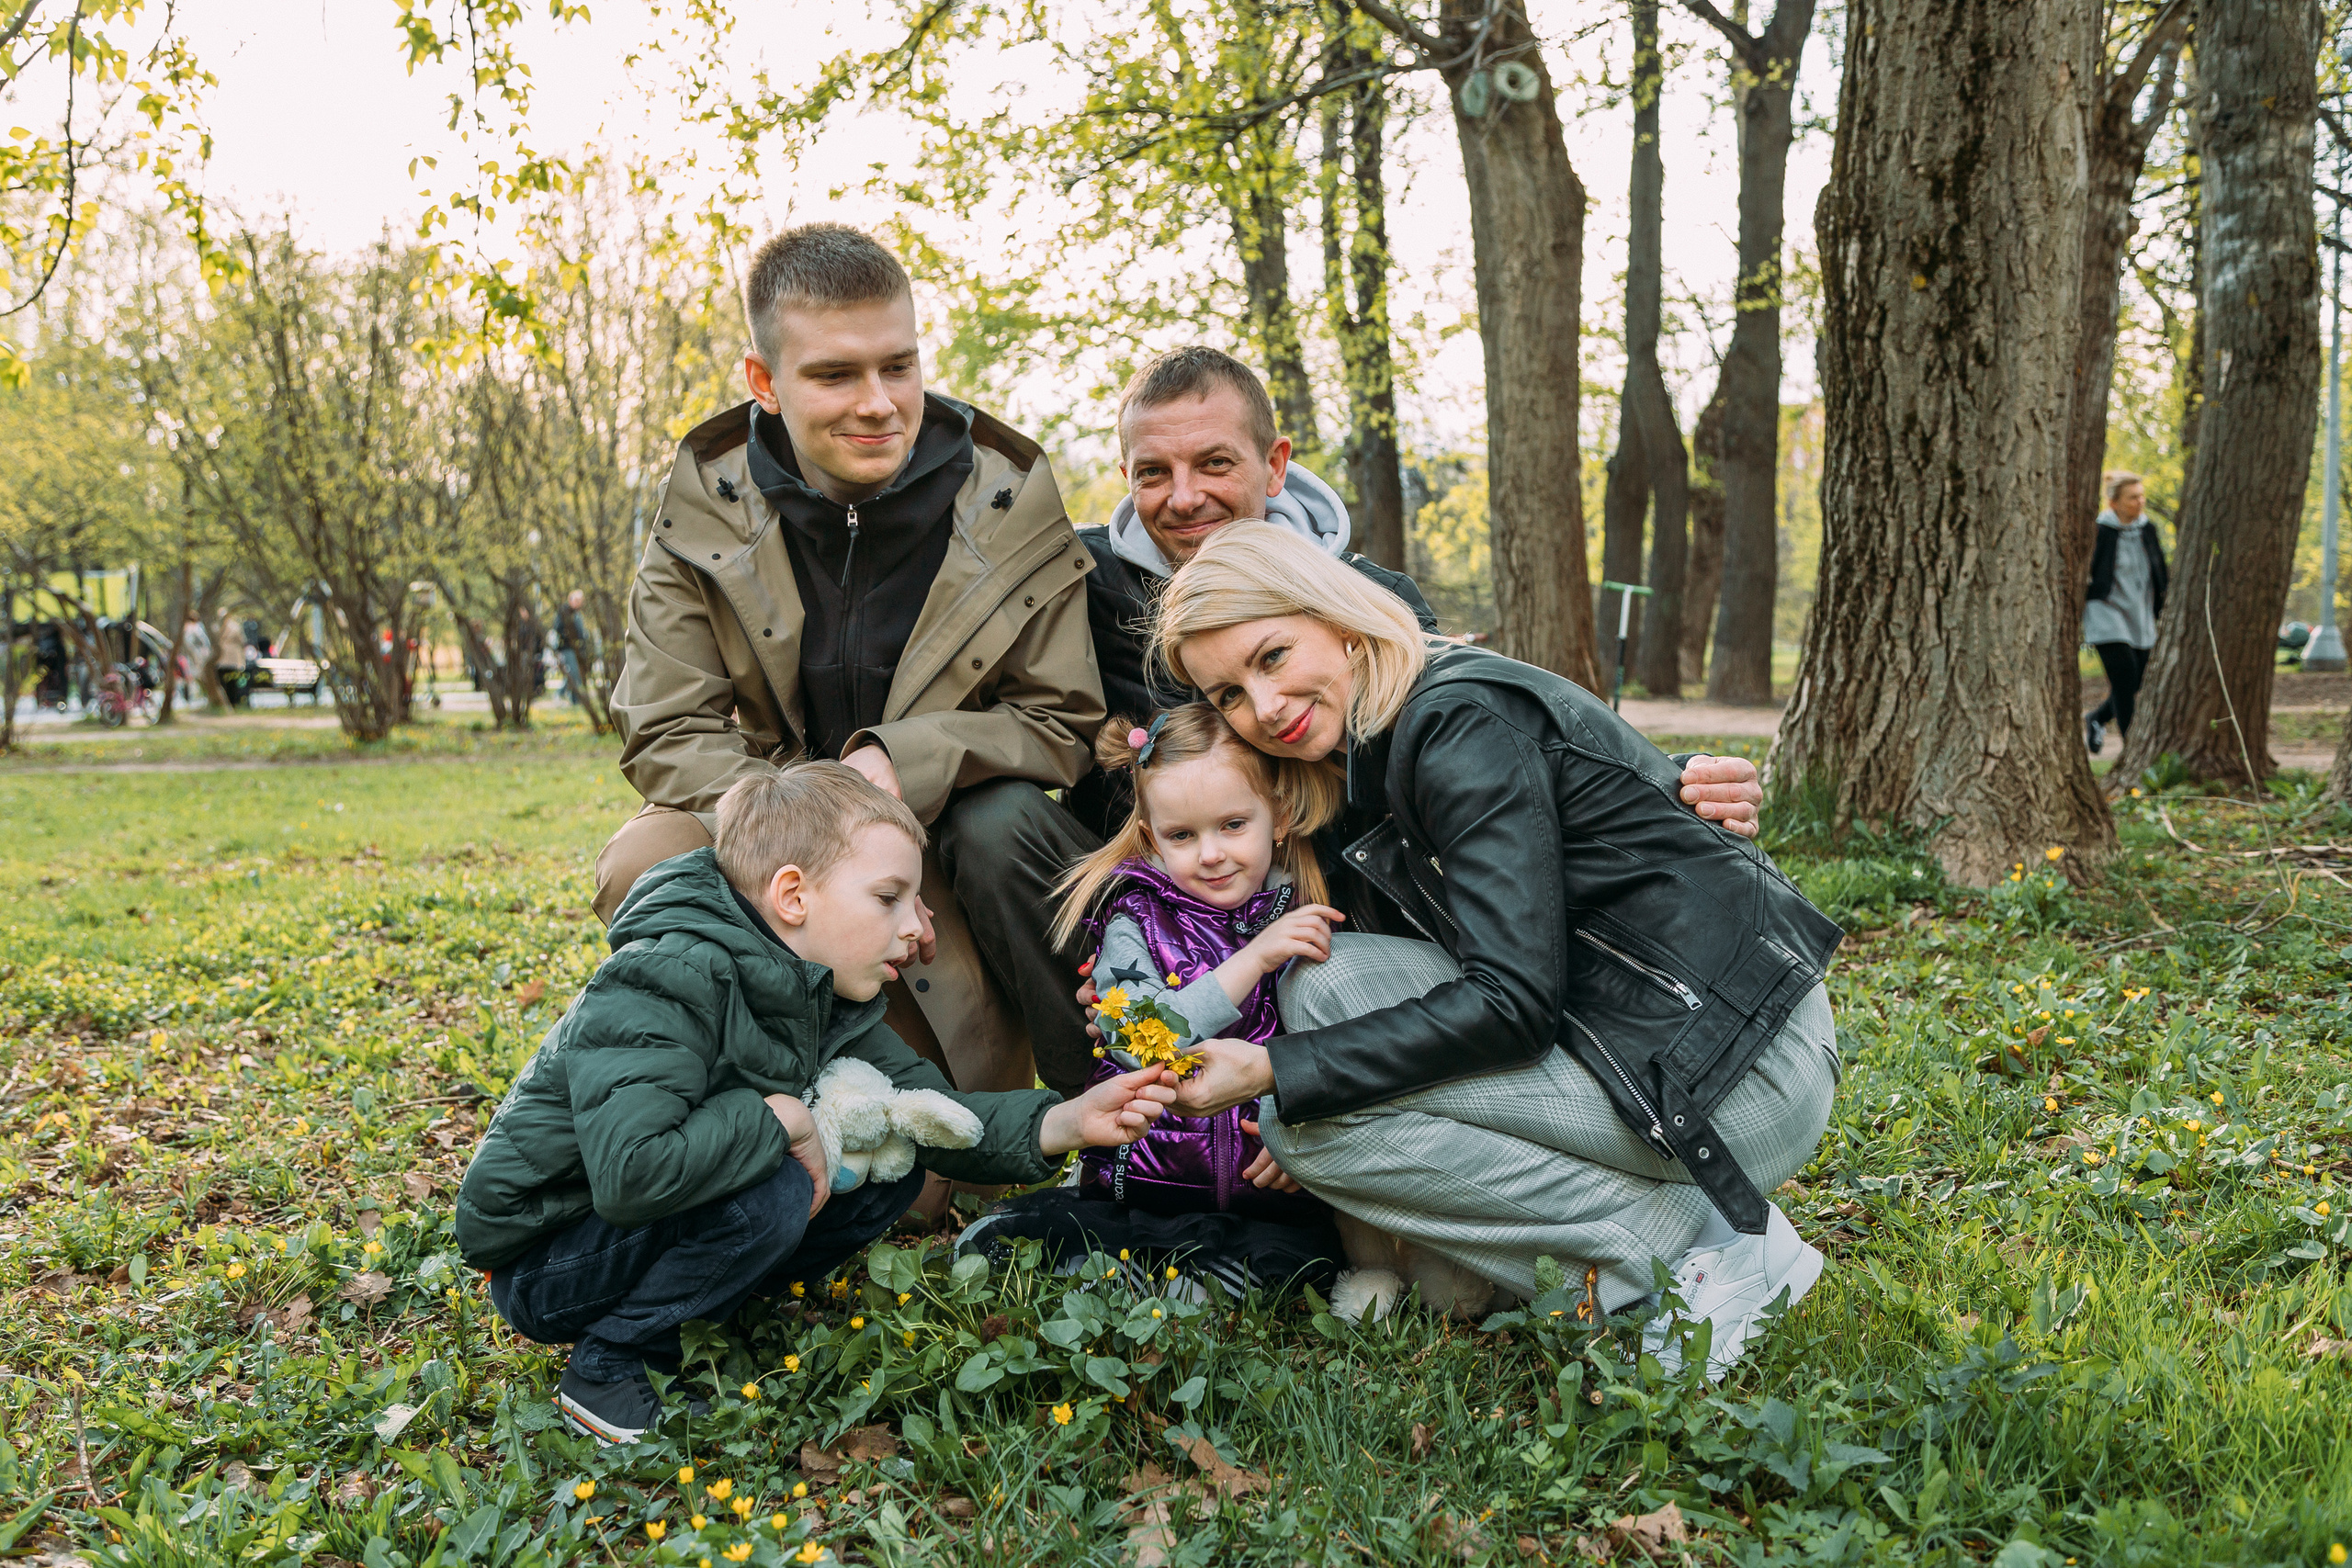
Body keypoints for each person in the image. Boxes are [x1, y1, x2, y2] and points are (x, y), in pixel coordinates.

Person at [938, 344, 1768, 1099]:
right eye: (1152, 472)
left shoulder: (1374, 603)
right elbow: (1002, 704)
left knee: (1343, 962)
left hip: (1315, 905)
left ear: (1274, 465)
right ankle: (1119, 1110)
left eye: (1215, 462)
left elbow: (1485, 755)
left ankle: (1299, 1104)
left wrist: (1672, 779)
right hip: (1143, 894)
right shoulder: (1079, 591)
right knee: (994, 821)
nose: (1184, 497)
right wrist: (1136, 946)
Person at [1150, 522, 1846, 1379]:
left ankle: (1692, 1256)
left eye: (1273, 655)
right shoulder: (1370, 742)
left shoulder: (1451, 722)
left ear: (1336, 614)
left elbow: (1511, 1004)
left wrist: (1271, 1072)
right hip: (1635, 1024)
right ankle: (1678, 1237)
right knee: (1326, 985)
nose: (1262, 707)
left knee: (1306, 1128)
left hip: (1740, 1065)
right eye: (1226, 693)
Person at [454, 761, 1176, 1444]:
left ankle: (710, 1303)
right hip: (550, 1258)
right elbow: (633, 1169)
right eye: (888, 897)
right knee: (773, 1188)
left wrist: (1071, 1120)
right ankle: (612, 1362)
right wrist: (781, 1117)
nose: (916, 928)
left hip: (640, 1226)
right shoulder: (665, 975)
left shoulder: (820, 991)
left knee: (892, 1160)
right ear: (793, 895)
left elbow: (925, 1106)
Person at [600, 222, 1104, 1106]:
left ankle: (1094, 1100)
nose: (878, 403)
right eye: (835, 374)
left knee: (921, 1185)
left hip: (940, 858)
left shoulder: (1007, 497)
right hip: (769, 850)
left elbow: (1061, 723)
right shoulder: (705, 503)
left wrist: (900, 761)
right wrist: (809, 826)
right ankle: (719, 1098)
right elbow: (663, 726)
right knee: (648, 853)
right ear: (764, 382)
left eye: (898, 366)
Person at [961, 704, 1350, 1294]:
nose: (1211, 853)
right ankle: (1149, 1273)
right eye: (1182, 835)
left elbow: (1333, 1049)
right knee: (1068, 1241)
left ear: (1279, 816)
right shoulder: (1133, 922)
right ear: (1151, 838)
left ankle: (1200, 1277)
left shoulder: (1304, 917)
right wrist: (1253, 960)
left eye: (1233, 825)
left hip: (1269, 1187)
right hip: (1144, 1180)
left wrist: (1297, 1130)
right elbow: (1140, 1038)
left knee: (1293, 1259)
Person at [2084, 469, 2167, 753]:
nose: (2139, 502)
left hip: (2140, 614)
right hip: (2105, 612)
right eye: (2132, 498)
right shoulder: (2100, 530)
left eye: (2141, 496)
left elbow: (2160, 571)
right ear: (2114, 503)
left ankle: (2097, 718)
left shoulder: (2148, 529)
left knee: (2136, 680)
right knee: (2124, 675)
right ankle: (2133, 747)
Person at [554, 589, 592, 707]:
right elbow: (557, 628)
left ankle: (574, 699)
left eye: (580, 601)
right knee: (573, 672)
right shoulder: (564, 612)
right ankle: (560, 693)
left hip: (577, 648)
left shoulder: (577, 614)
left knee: (575, 674)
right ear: (571, 599)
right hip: (566, 647)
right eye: (577, 600)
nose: (579, 603)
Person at [215, 611, 248, 709]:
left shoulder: (216, 627)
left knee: (225, 682)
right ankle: (231, 702)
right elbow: (242, 640)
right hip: (230, 658)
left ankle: (229, 702)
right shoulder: (235, 626)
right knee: (231, 682)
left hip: (223, 658)